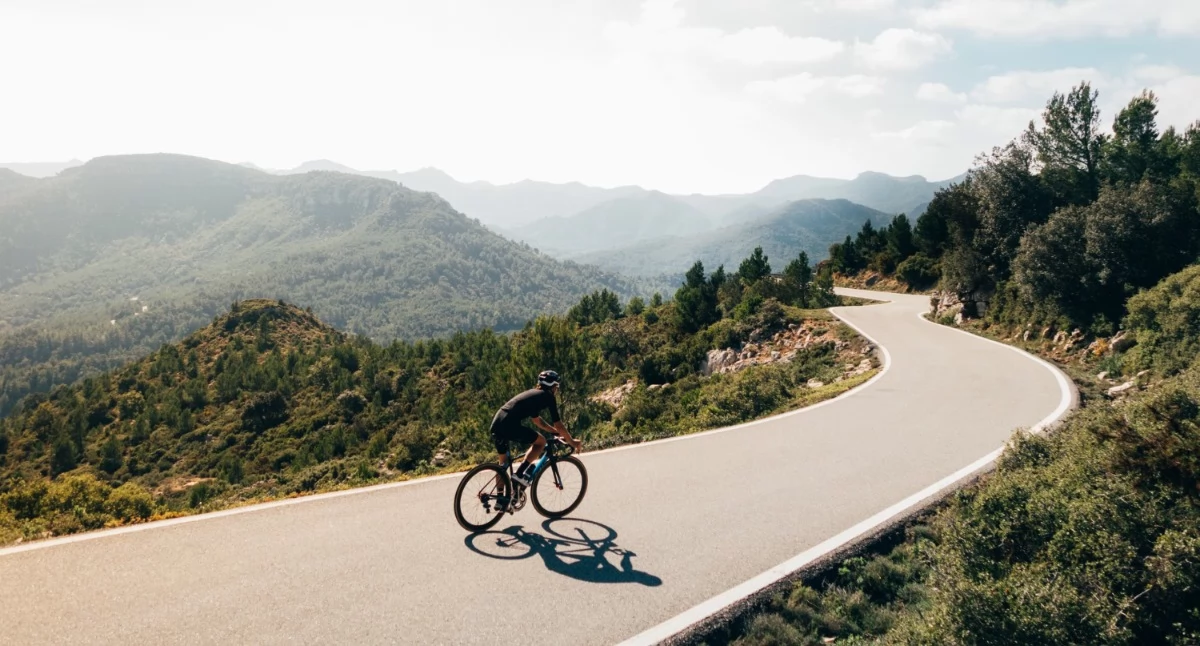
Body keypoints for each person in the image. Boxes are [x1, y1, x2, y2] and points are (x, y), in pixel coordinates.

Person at [490, 369, 582, 488]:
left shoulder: (533, 395)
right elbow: (559, 424)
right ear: (553, 386)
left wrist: (554, 432)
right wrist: (573, 442)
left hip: (497, 423)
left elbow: (538, 421)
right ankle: (519, 474)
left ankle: (501, 500)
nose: (557, 390)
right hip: (509, 425)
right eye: (557, 386)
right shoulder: (548, 397)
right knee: (541, 442)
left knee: (503, 464)